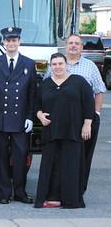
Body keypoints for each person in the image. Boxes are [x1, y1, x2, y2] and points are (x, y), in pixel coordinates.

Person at [44, 34, 106, 193]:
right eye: (70, 43)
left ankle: (79, 191)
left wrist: (96, 114)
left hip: (85, 120)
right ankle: (61, 191)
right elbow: (45, 89)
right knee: (60, 157)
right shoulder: (57, 64)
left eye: (77, 44)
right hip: (61, 120)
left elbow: (99, 91)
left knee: (83, 157)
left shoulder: (90, 66)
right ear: (66, 46)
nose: (73, 46)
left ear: (81, 47)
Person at [35, 53, 94, 208]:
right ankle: (52, 197)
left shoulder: (79, 82)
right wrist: (40, 115)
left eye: (60, 63)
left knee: (71, 165)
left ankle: (70, 199)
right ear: (50, 66)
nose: (57, 67)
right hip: (51, 130)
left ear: (66, 64)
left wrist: (87, 124)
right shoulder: (45, 84)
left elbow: (89, 103)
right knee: (52, 165)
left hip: (73, 131)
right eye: (54, 64)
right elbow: (36, 106)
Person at [0, 27, 36, 204]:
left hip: (20, 119)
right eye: (8, 40)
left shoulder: (29, 64)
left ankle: (20, 192)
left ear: (19, 42)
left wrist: (30, 117)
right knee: (0, 157)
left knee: (20, 157)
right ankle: (4, 192)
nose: (11, 43)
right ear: (3, 42)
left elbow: (32, 93)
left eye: (14, 40)